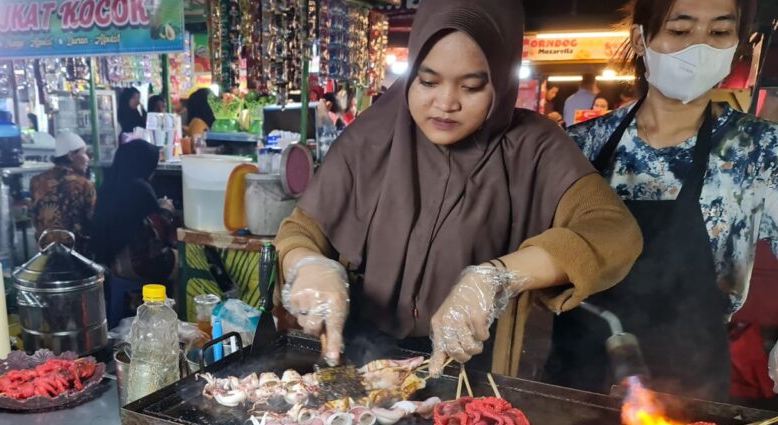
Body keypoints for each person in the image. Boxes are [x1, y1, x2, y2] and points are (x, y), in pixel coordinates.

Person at [275, 0, 642, 374]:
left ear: (501, 81)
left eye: (471, 86)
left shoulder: (534, 147)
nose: (445, 103)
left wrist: (497, 277)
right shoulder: (372, 137)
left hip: (475, 365)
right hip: (358, 355)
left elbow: (613, 231)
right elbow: (301, 230)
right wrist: (309, 264)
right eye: (428, 81)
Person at [547, 0, 778, 402]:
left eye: (719, 32)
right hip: (574, 374)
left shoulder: (759, 151)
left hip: (690, 382)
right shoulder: (579, 146)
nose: (700, 47)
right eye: (680, 30)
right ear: (640, 39)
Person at [89, 139, 176, 284]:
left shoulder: (108, 185)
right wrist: (167, 210)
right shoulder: (140, 188)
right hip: (135, 264)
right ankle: (170, 304)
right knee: (185, 262)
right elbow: (158, 233)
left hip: (109, 262)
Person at [28, 131, 96, 255]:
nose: (88, 158)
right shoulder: (83, 184)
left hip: (45, 252)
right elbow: (93, 221)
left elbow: (34, 216)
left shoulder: (36, 181)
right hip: (77, 254)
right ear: (71, 156)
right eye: (84, 153)